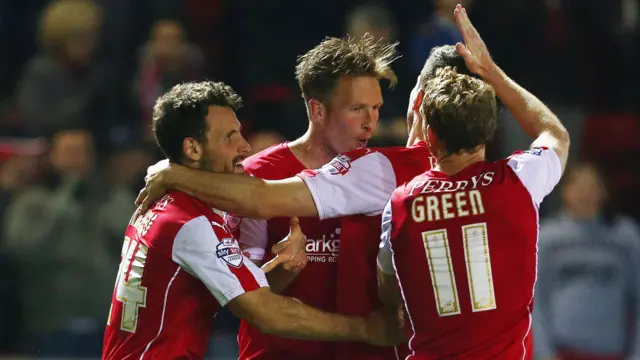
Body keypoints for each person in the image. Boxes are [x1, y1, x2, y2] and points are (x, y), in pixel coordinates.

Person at [139, 43, 476, 359]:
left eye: (375, 108)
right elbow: (245, 295)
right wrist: (284, 270)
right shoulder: (254, 176)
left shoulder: (385, 171)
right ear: (317, 109)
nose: (370, 121)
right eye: (356, 109)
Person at [102, 81, 403, 360]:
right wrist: (367, 329)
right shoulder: (190, 222)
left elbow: (246, 294)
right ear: (192, 149)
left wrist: (283, 269)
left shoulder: (168, 206)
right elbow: (266, 312)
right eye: (230, 137)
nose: (245, 147)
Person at [376, 5, 569, 360]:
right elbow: (554, 134)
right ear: (490, 131)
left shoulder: (401, 202)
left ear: (430, 135)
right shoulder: (519, 181)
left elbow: (389, 293)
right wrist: (491, 72)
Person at [534, 163, 640, 360]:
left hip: (612, 350)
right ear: (564, 191)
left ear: (604, 192)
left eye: (592, 187)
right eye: (578, 186)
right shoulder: (546, 237)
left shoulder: (625, 236)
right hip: (562, 348)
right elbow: (534, 300)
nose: (585, 194)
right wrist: (544, 354)